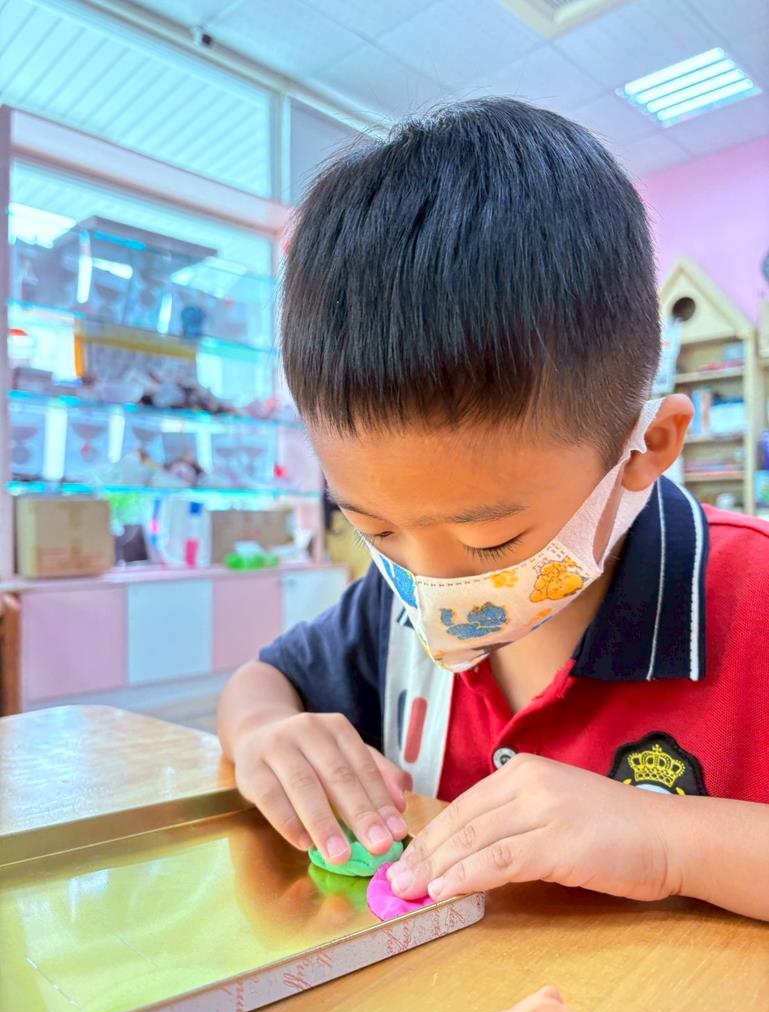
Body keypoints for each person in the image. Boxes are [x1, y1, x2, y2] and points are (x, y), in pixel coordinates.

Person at [218, 98, 769, 923]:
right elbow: (263, 681)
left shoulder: (753, 599)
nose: (432, 589)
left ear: (646, 447)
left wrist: (667, 839)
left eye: (490, 540)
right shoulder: (390, 608)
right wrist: (267, 732)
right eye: (376, 529)